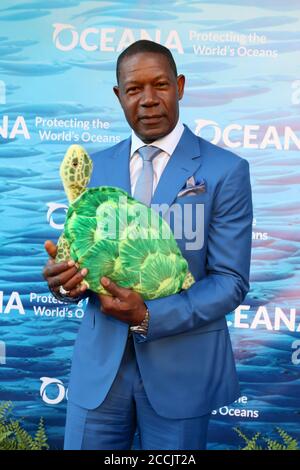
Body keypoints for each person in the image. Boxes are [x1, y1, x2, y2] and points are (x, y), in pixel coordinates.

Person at [43, 40, 252, 450]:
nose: (149, 100)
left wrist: (148, 315)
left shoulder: (226, 170)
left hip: (182, 372)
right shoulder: (95, 168)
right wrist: (63, 281)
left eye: (160, 85)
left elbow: (230, 281)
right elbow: (78, 257)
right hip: (99, 373)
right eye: (134, 89)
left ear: (180, 86)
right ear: (119, 96)